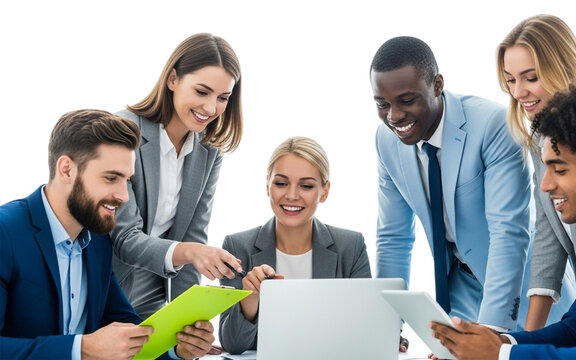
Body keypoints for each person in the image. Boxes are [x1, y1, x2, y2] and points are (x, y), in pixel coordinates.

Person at [430, 85, 576, 359]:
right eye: (546, 167)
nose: (545, 185)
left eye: (559, 169)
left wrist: (500, 357)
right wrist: (497, 342)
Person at [0, 110, 215, 359]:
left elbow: (127, 327)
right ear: (67, 170)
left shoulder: (98, 240)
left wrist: (177, 349)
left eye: (126, 180)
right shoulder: (6, 233)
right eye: (111, 178)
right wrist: (82, 349)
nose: (123, 196)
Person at [370, 35, 532, 343]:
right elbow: (393, 238)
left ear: (436, 85)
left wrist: (492, 331)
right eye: (382, 104)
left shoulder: (493, 124)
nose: (394, 116)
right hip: (460, 294)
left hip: (522, 292)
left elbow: (508, 230)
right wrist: (387, 327)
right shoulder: (385, 141)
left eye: (406, 100)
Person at [110, 33, 244, 319]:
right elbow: (125, 238)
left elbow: (193, 234)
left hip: (155, 291)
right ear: (172, 79)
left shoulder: (209, 150)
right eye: (201, 92)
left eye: (222, 98)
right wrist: (191, 252)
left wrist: (187, 322)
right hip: (106, 287)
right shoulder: (122, 132)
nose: (211, 109)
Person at [217, 136, 371, 354]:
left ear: (324, 191)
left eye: (306, 186)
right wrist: (250, 298)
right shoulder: (237, 246)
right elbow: (232, 344)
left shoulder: (351, 247)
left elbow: (365, 330)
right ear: (268, 186)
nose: (291, 195)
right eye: (281, 183)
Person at [497, 14, 576, 330]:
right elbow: (549, 235)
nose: (518, 92)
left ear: (562, 69)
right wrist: (527, 335)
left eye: (530, 77)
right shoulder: (541, 140)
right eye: (511, 80)